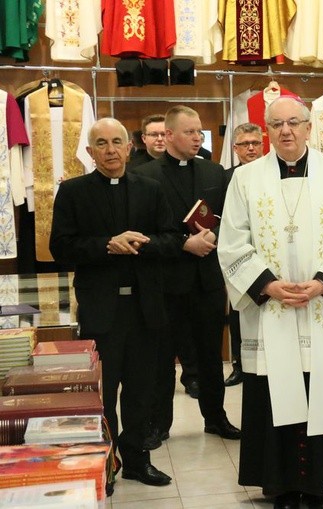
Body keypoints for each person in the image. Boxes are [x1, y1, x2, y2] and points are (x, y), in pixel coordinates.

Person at [217, 96, 323, 509]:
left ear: (308, 127)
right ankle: (281, 485)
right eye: (277, 124)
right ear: (266, 130)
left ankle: (319, 485)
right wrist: (266, 285)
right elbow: (231, 244)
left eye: (294, 123)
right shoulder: (245, 179)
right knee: (273, 393)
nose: (286, 130)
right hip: (273, 310)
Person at [50, 118, 177, 489]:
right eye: (101, 144)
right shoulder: (73, 193)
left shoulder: (152, 190)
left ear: (129, 147)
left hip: (144, 309)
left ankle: (138, 459)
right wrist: (107, 244)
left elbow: (171, 239)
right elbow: (61, 248)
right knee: (103, 395)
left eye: (116, 142)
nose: (110, 150)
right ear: (89, 152)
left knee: (140, 390)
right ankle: (104, 463)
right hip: (100, 310)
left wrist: (144, 243)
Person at [132, 105, 241, 449]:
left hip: (207, 280)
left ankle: (216, 418)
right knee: (162, 358)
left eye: (200, 132)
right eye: (190, 132)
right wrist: (184, 243)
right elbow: (142, 233)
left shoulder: (213, 172)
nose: (198, 137)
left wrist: (214, 235)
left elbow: (231, 218)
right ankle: (158, 425)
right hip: (166, 282)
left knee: (211, 355)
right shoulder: (146, 176)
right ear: (168, 135)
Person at [224, 122, 264, 387]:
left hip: (268, 256)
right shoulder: (226, 177)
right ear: (235, 148)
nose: (251, 148)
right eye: (245, 144)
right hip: (238, 256)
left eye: (255, 143)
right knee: (239, 311)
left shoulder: (272, 173)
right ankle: (239, 363)